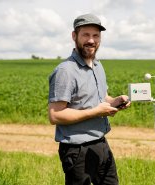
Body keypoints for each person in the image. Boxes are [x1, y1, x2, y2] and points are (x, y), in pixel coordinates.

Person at [48, 13, 130, 185]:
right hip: (77, 150)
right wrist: (96, 112)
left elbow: (101, 98)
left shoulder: (98, 66)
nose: (91, 40)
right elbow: (55, 115)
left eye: (96, 35)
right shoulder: (66, 71)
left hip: (101, 143)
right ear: (74, 36)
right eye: (86, 34)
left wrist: (115, 101)